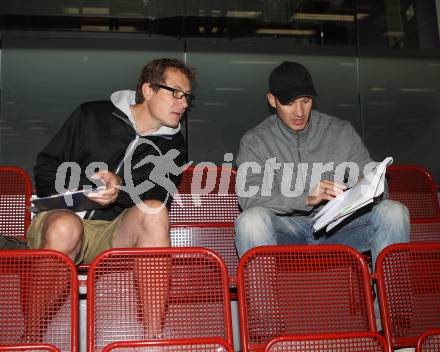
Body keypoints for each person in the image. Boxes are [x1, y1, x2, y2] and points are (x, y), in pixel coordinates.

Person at [24, 57, 196, 341]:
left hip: (113, 232)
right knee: (66, 228)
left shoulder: (173, 144)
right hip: (63, 218)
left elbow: (158, 195)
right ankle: (31, 340)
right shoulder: (92, 115)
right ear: (149, 90)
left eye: (187, 96)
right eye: (176, 92)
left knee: (154, 212)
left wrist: (121, 190)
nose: (184, 102)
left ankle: (152, 341)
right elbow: (46, 166)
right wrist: (83, 190)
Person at [234, 61, 409, 268]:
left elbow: (377, 183)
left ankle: (392, 300)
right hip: (285, 231)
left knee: (394, 212)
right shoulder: (256, 141)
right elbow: (249, 198)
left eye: (305, 101)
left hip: (336, 229)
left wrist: (365, 187)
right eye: (289, 103)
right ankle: (262, 302)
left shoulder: (340, 132)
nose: (299, 112)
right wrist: (306, 198)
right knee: (251, 221)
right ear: (272, 100)